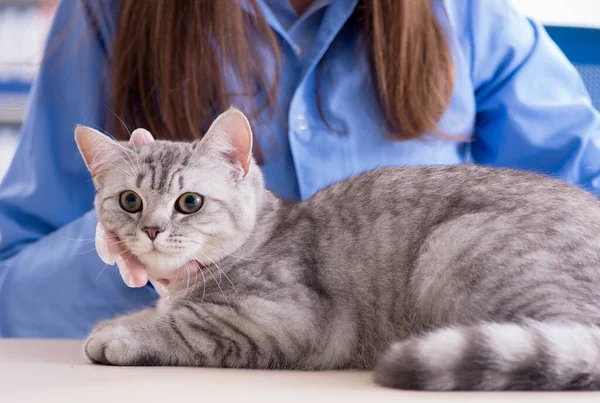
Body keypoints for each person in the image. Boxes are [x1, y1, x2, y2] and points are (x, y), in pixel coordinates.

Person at [1, 0, 599, 338]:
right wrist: (132, 247)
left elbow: (583, 200)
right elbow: (10, 285)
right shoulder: (110, 12)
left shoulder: (468, 17)